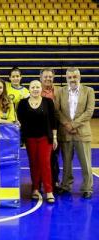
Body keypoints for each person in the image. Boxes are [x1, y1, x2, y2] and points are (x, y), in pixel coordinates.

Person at [56, 67, 95, 199]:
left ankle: (87, 187)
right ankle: (66, 185)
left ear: (79, 77)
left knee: (85, 162)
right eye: (70, 77)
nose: (72, 80)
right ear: (66, 78)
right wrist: (67, 124)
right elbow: (57, 111)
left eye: (75, 77)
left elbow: (89, 112)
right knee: (66, 162)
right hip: (65, 132)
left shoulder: (89, 91)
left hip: (82, 132)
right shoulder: (60, 91)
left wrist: (73, 124)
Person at [17, 80, 57, 203]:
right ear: (29, 89)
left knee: (45, 163)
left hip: (45, 138)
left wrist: (55, 137)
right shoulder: (23, 103)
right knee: (33, 164)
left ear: (41, 89)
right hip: (30, 138)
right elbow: (19, 120)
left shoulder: (48, 102)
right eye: (33, 87)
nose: (35, 89)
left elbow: (53, 120)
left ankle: (49, 191)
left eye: (37, 87)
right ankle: (35, 188)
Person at [40, 67, 60, 192]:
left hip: (55, 127)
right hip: (40, 128)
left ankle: (55, 181)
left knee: (54, 156)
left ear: (53, 78)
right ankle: (39, 182)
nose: (48, 78)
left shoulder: (60, 91)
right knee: (40, 158)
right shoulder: (35, 89)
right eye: (45, 76)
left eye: (50, 76)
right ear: (40, 78)